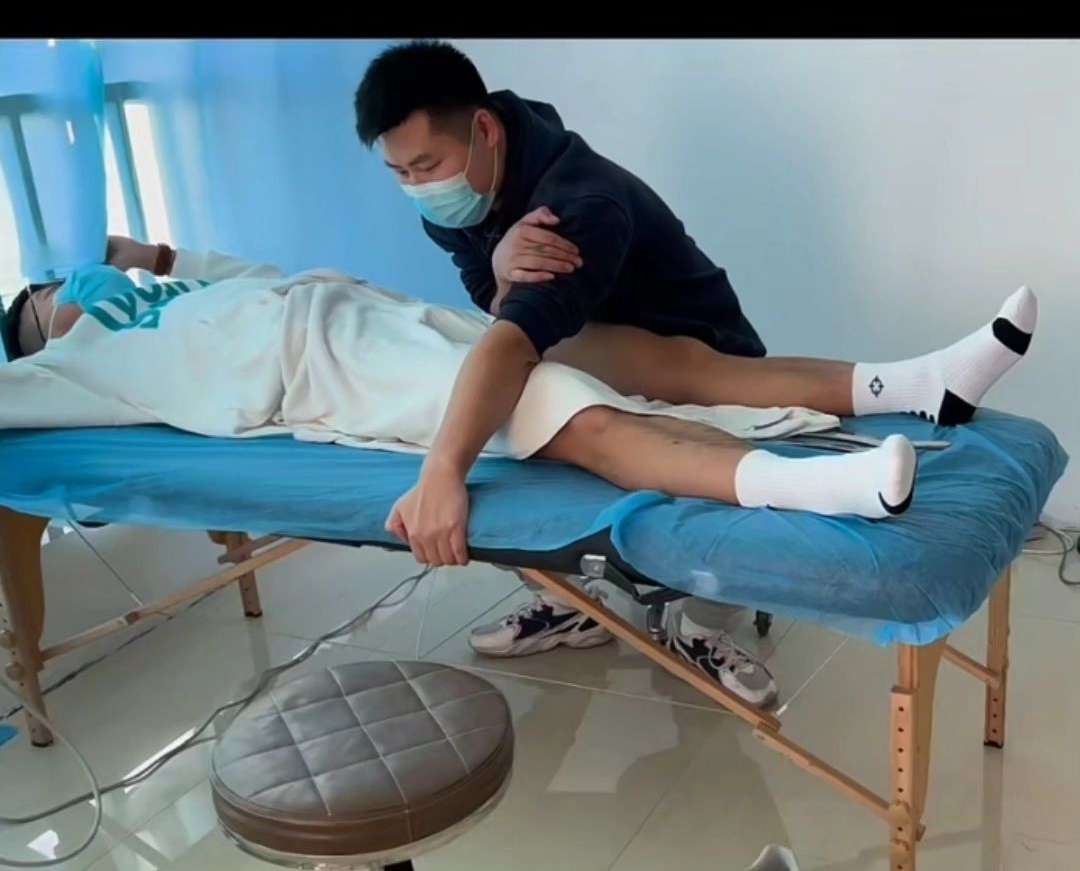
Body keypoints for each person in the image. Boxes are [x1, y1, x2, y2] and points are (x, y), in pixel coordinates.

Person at [1, 236, 1036, 705]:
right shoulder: (73, 366)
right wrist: (59, 326)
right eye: (42, 301)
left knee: (650, 358)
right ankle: (823, 486)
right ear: (35, 334)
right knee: (561, 411)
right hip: (334, 371)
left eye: (54, 283)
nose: (60, 292)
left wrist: (118, 263)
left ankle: (920, 386)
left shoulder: (163, 292)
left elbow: (161, 253)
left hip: (371, 314)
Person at [352, 41, 1036, 700]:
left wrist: (442, 472)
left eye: (426, 165)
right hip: (588, 351)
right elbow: (495, 302)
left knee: (631, 378)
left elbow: (510, 337)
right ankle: (579, 604)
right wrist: (502, 265)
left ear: (484, 130)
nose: (418, 187)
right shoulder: (461, 193)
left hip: (692, 348)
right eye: (400, 172)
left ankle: (711, 612)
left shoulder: (576, 206)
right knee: (543, 401)